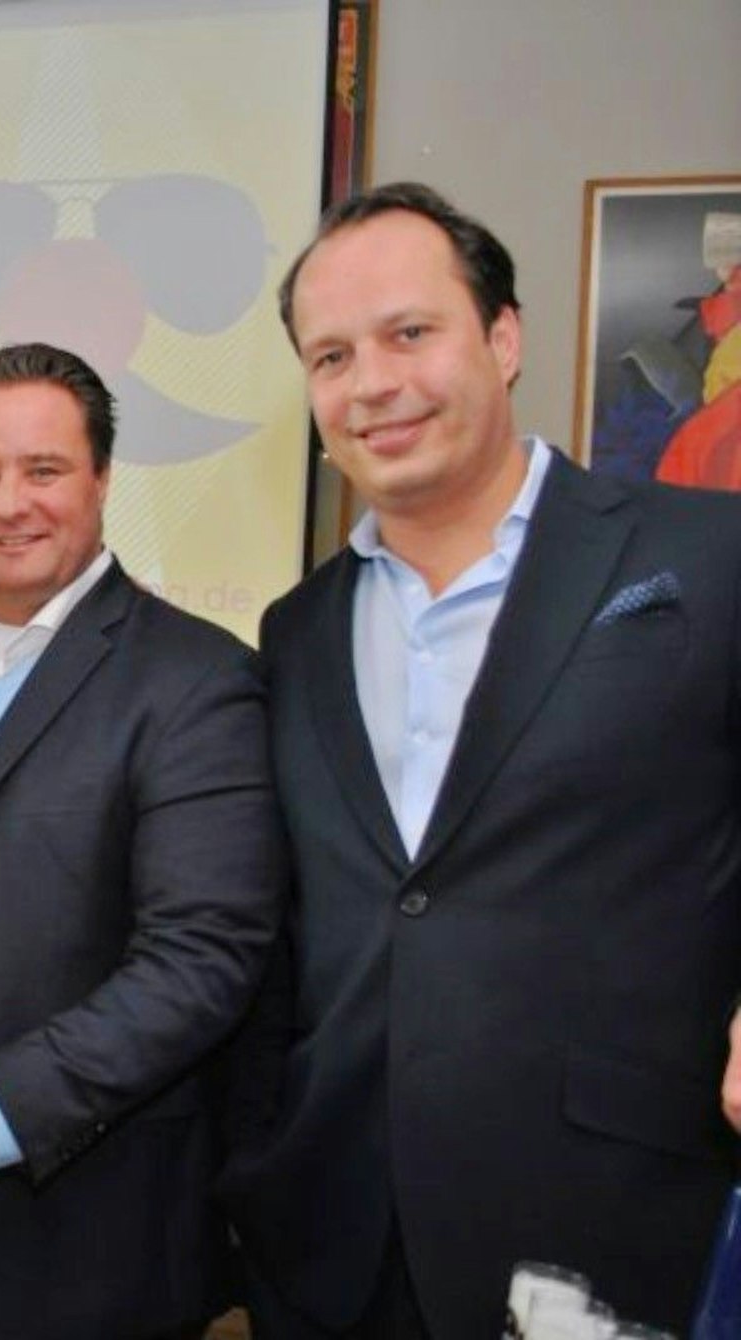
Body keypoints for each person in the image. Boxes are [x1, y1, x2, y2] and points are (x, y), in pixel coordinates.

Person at [225, 182, 741, 1338]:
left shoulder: (704, 558)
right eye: (330, 356)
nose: (371, 383)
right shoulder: (295, 631)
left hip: (616, 1231)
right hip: (334, 1242)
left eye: (409, 332)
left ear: (501, 340)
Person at [0, 342, 284, 1339]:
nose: (8, 503)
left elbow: (200, 962)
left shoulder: (195, 680)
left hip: (81, 1245)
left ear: (102, 478)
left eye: (43, 470)